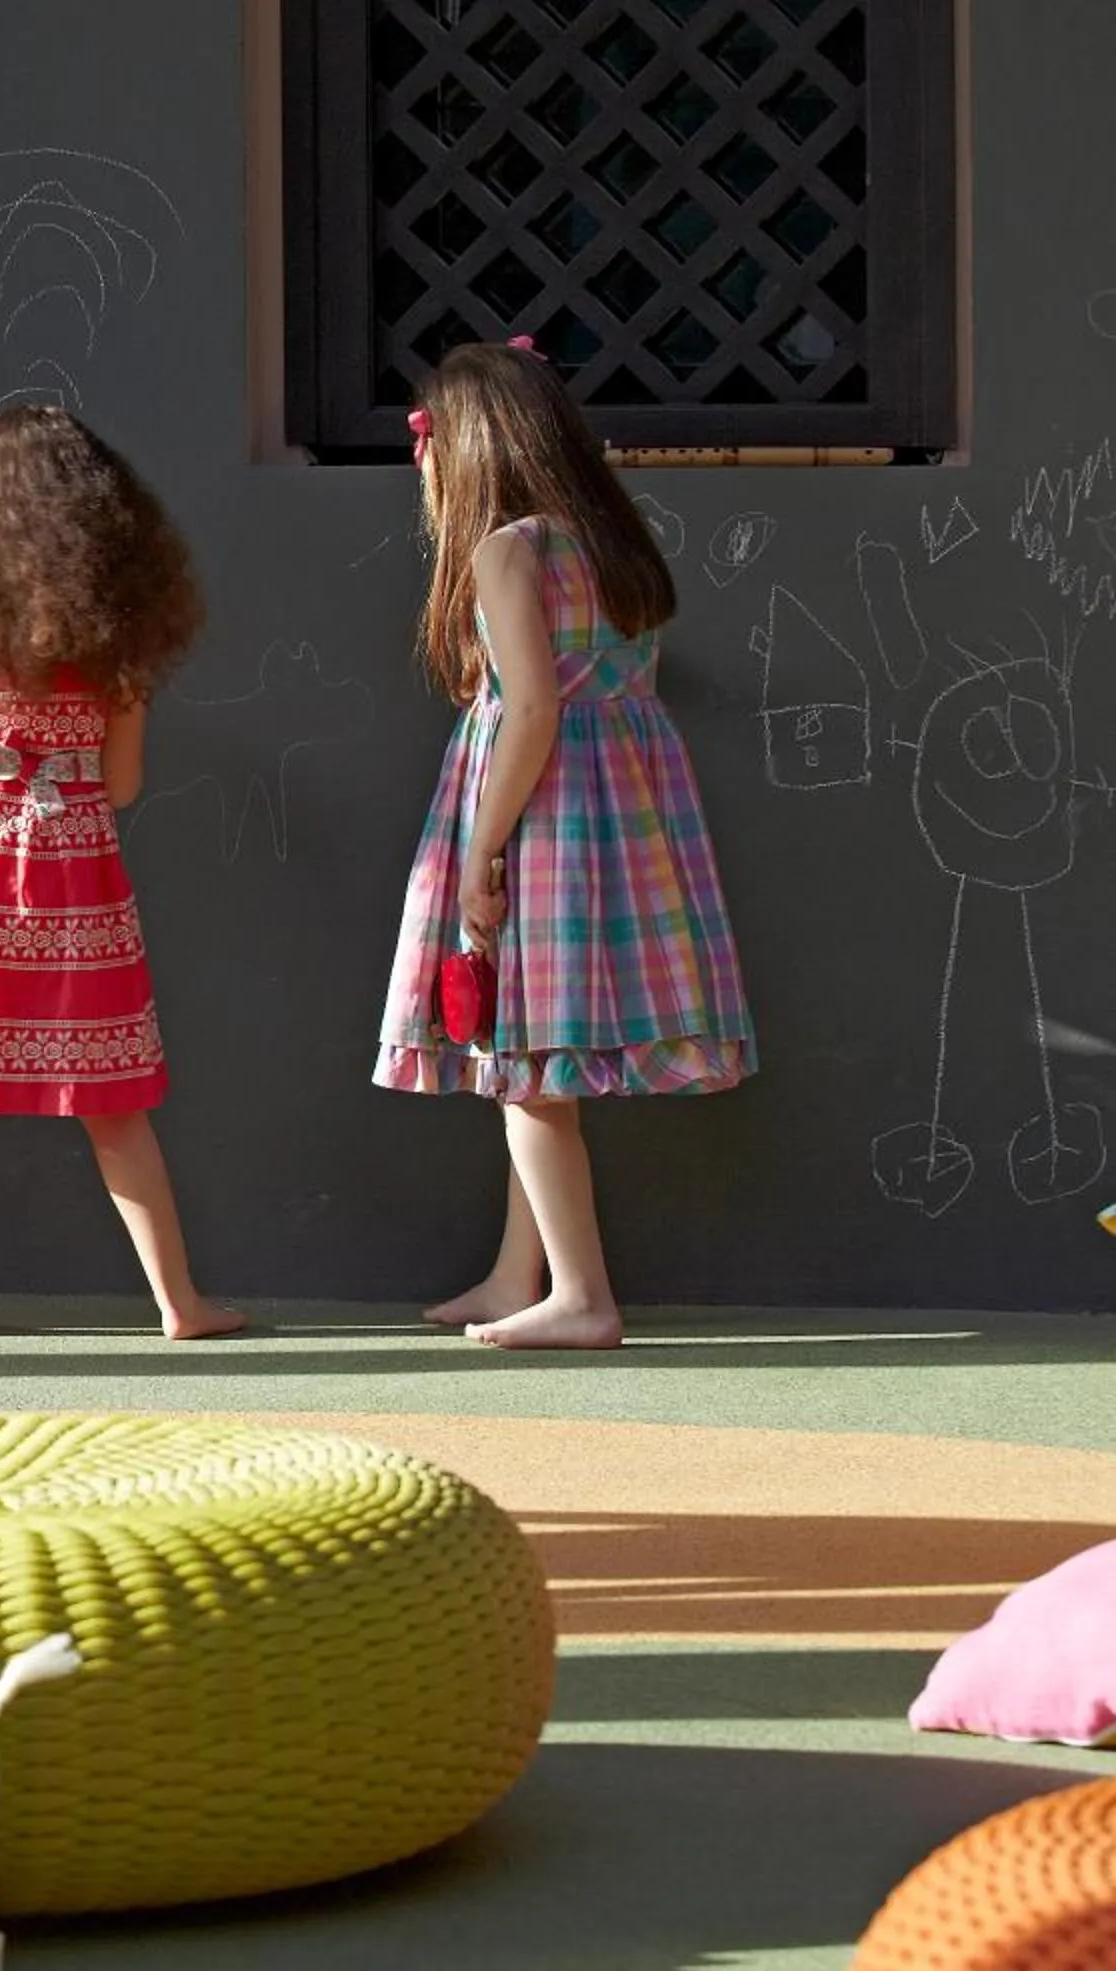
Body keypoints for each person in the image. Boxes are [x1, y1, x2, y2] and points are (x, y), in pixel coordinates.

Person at [373, 339, 757, 1349]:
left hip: (541, 814)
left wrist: (479, 854)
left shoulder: (507, 549)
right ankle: (518, 1274)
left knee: (522, 1054)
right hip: (622, 816)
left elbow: (532, 709)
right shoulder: (607, 544)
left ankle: (581, 1297)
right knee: (529, 1061)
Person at [0, 404, 241, 1342]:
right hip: (67, 860)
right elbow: (123, 780)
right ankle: (178, 1303)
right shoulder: (118, 640)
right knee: (107, 1089)